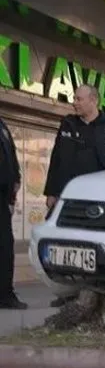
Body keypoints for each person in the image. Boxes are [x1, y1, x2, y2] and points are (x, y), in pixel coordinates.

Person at [43, 85, 105, 308]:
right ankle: (69, 293)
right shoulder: (68, 124)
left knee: (99, 245)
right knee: (69, 244)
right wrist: (52, 191)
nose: (74, 102)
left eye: (79, 98)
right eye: (74, 98)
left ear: (93, 100)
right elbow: (56, 159)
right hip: (71, 197)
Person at [0, 119, 25, 309]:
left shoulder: (2, 125)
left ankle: (5, 294)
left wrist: (15, 178)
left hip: (3, 196)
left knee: (5, 246)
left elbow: (11, 155)